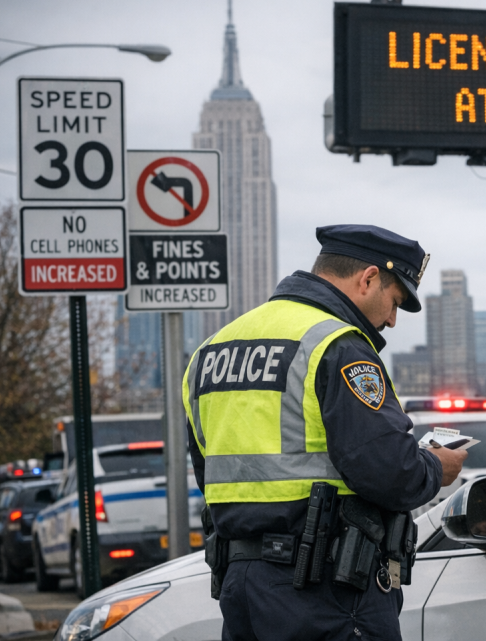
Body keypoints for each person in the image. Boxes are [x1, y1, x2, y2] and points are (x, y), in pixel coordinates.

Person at [184, 224, 468, 641]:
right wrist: (436, 467)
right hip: (325, 594)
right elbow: (390, 472)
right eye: (394, 302)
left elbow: (207, 471)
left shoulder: (211, 351)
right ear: (368, 278)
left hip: (242, 590)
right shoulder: (337, 345)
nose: (391, 320)